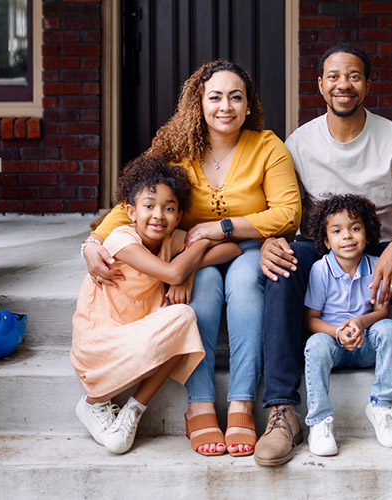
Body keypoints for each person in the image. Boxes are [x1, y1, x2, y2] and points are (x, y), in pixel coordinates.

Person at [254, 43, 392, 468]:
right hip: (323, 246)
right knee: (283, 265)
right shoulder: (299, 143)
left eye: (353, 76)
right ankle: (281, 412)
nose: (342, 85)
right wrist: (268, 240)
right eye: (333, 76)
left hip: (384, 244)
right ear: (320, 85)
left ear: (367, 84)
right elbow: (281, 208)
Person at [81, 60, 301, 456]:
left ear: (249, 105)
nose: (225, 107)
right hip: (191, 252)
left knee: (244, 284)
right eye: (215, 97)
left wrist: (225, 227)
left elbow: (288, 213)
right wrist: (94, 241)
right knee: (202, 287)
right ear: (199, 102)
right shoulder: (179, 149)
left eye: (236, 97)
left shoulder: (267, 146)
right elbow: (133, 198)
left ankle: (242, 403)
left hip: (245, 246)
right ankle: (199, 404)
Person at [72, 156, 239, 454]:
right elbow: (174, 273)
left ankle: (133, 411)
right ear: (130, 211)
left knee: (183, 320)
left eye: (169, 208)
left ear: (179, 215)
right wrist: (196, 248)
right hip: (101, 343)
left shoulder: (171, 240)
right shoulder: (121, 239)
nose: (158, 215)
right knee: (182, 317)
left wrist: (193, 251)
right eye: (149, 206)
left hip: (140, 336)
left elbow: (232, 247)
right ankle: (93, 403)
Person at [302, 194, 392, 457]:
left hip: (365, 344)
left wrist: (361, 322)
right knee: (315, 345)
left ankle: (381, 406)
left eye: (355, 228)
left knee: (391, 329)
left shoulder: (376, 266)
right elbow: (310, 319)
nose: (347, 236)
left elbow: (382, 311)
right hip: (333, 347)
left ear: (367, 234)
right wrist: (337, 332)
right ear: (326, 240)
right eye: (337, 231)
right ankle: (319, 421)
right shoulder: (320, 270)